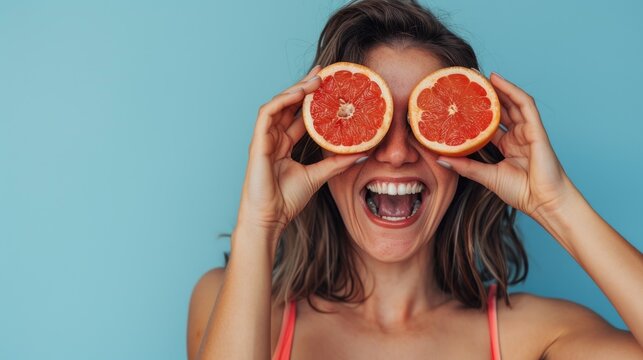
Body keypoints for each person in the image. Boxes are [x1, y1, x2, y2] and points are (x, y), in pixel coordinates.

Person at [186, 0, 643, 358]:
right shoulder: (237, 306)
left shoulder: (534, 336)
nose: (399, 153)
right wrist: (260, 224)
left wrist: (555, 204)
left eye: (425, 125)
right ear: (323, 143)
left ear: (466, 147)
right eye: (371, 123)